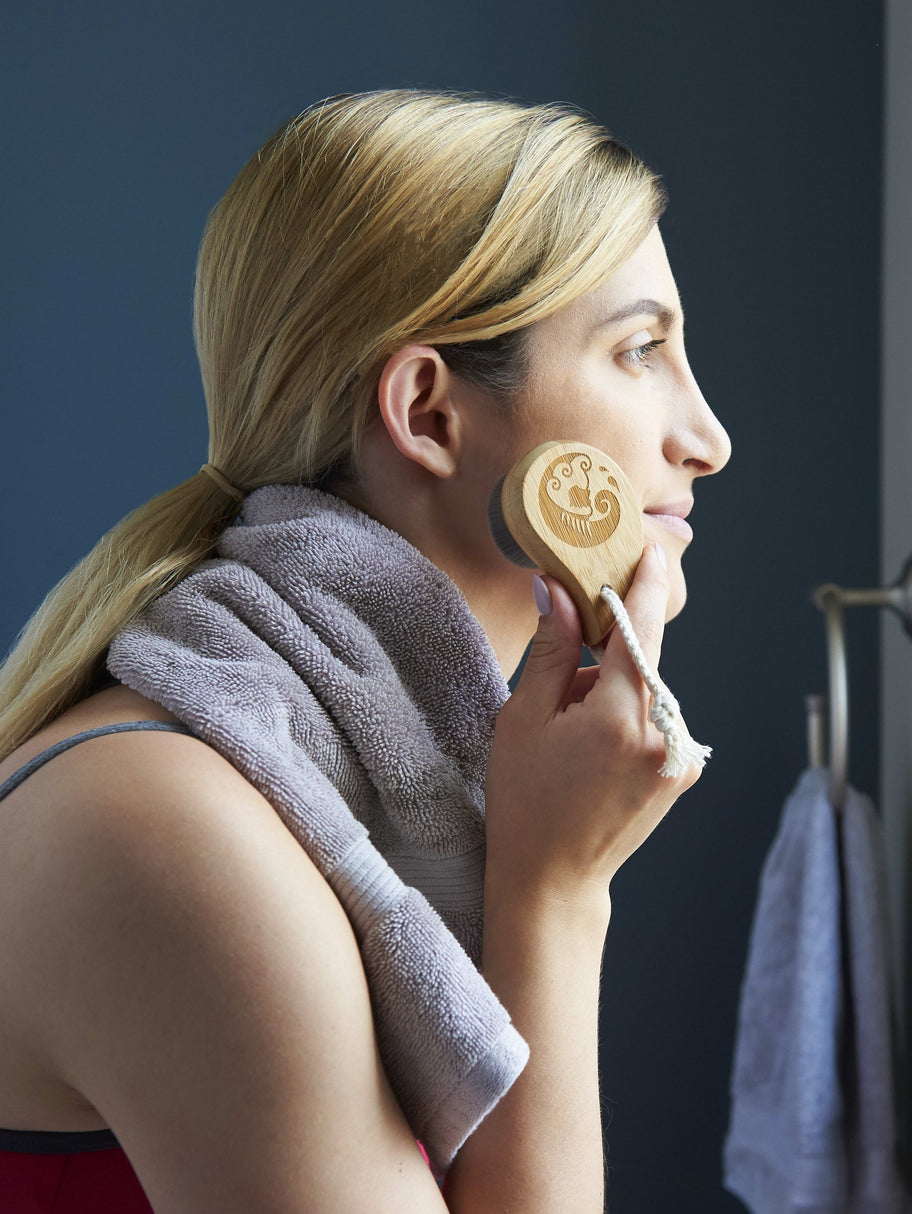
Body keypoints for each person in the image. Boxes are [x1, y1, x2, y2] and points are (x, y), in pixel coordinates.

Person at [0, 89, 731, 1212]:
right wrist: (555, 896)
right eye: (640, 350)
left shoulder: (369, 783)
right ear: (428, 412)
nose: (707, 440)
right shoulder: (170, 828)